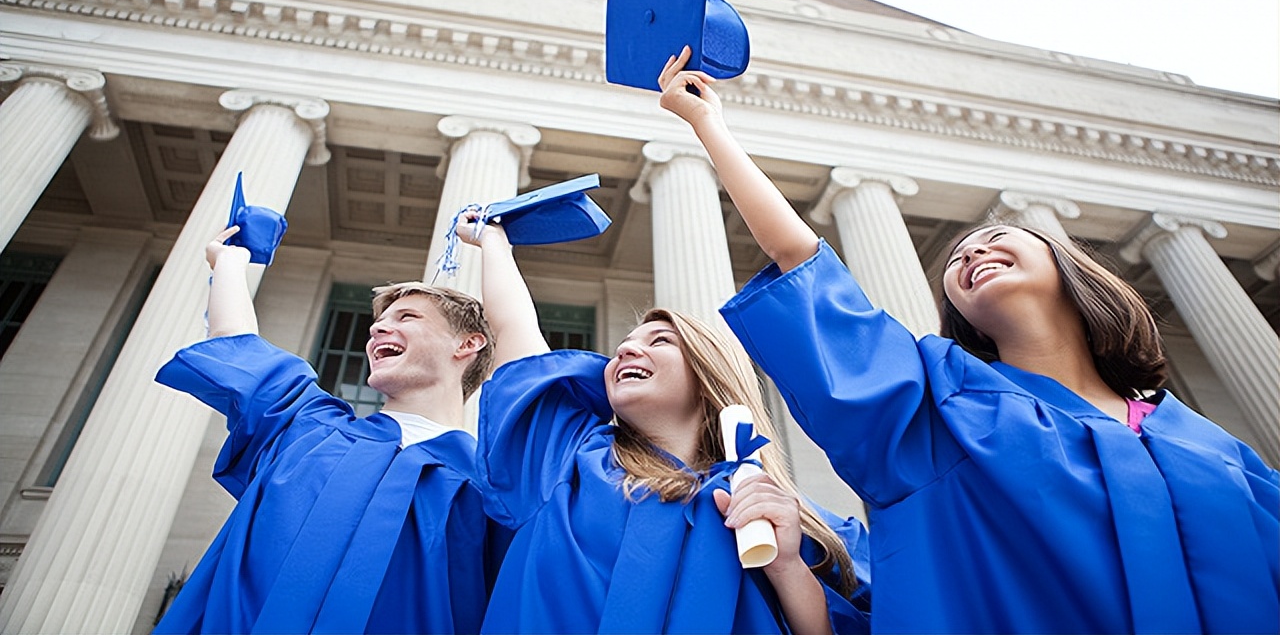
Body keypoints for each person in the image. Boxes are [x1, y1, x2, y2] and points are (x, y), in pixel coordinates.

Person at [657, 46, 1280, 634]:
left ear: (1070, 268)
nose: (972, 251)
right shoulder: (938, 409)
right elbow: (797, 259)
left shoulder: (1216, 451)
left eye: (994, 238)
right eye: (957, 258)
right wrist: (709, 125)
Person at [456, 214, 870, 634]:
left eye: (659, 342)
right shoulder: (569, 458)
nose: (625, 351)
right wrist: (493, 242)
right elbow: (516, 333)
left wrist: (786, 567)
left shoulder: (791, 518)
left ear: (710, 375)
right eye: (624, 346)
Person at [152, 226, 506, 634]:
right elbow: (235, 341)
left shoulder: (491, 490)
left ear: (467, 344)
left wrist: (495, 246)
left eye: (407, 317)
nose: (376, 329)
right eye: (379, 321)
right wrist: (229, 264)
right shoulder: (306, 429)